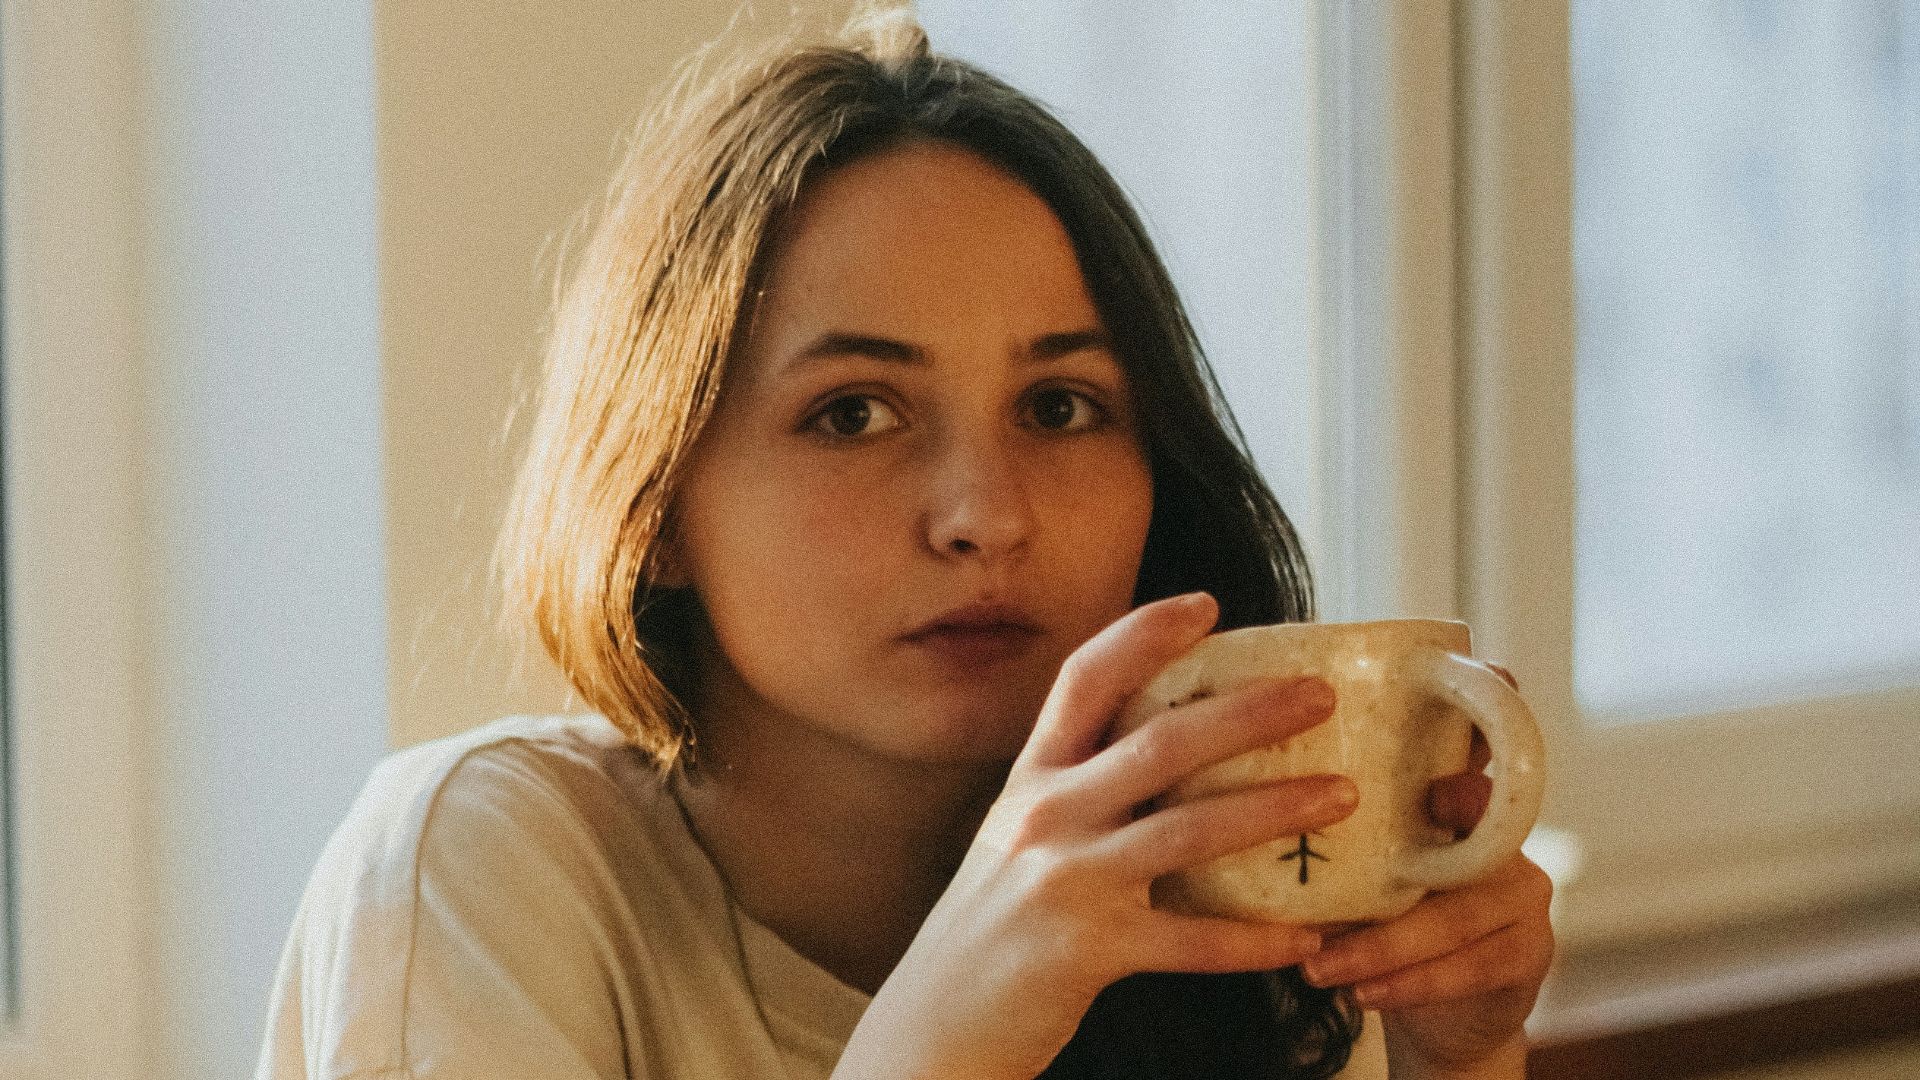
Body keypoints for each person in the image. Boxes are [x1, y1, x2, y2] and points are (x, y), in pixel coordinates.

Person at [255, 6, 1554, 1079]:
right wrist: (957, 1025)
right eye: (855, 413)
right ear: (654, 512)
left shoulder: (1220, 890)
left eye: (1061, 406)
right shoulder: (480, 868)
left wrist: (1457, 1059)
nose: (985, 512)